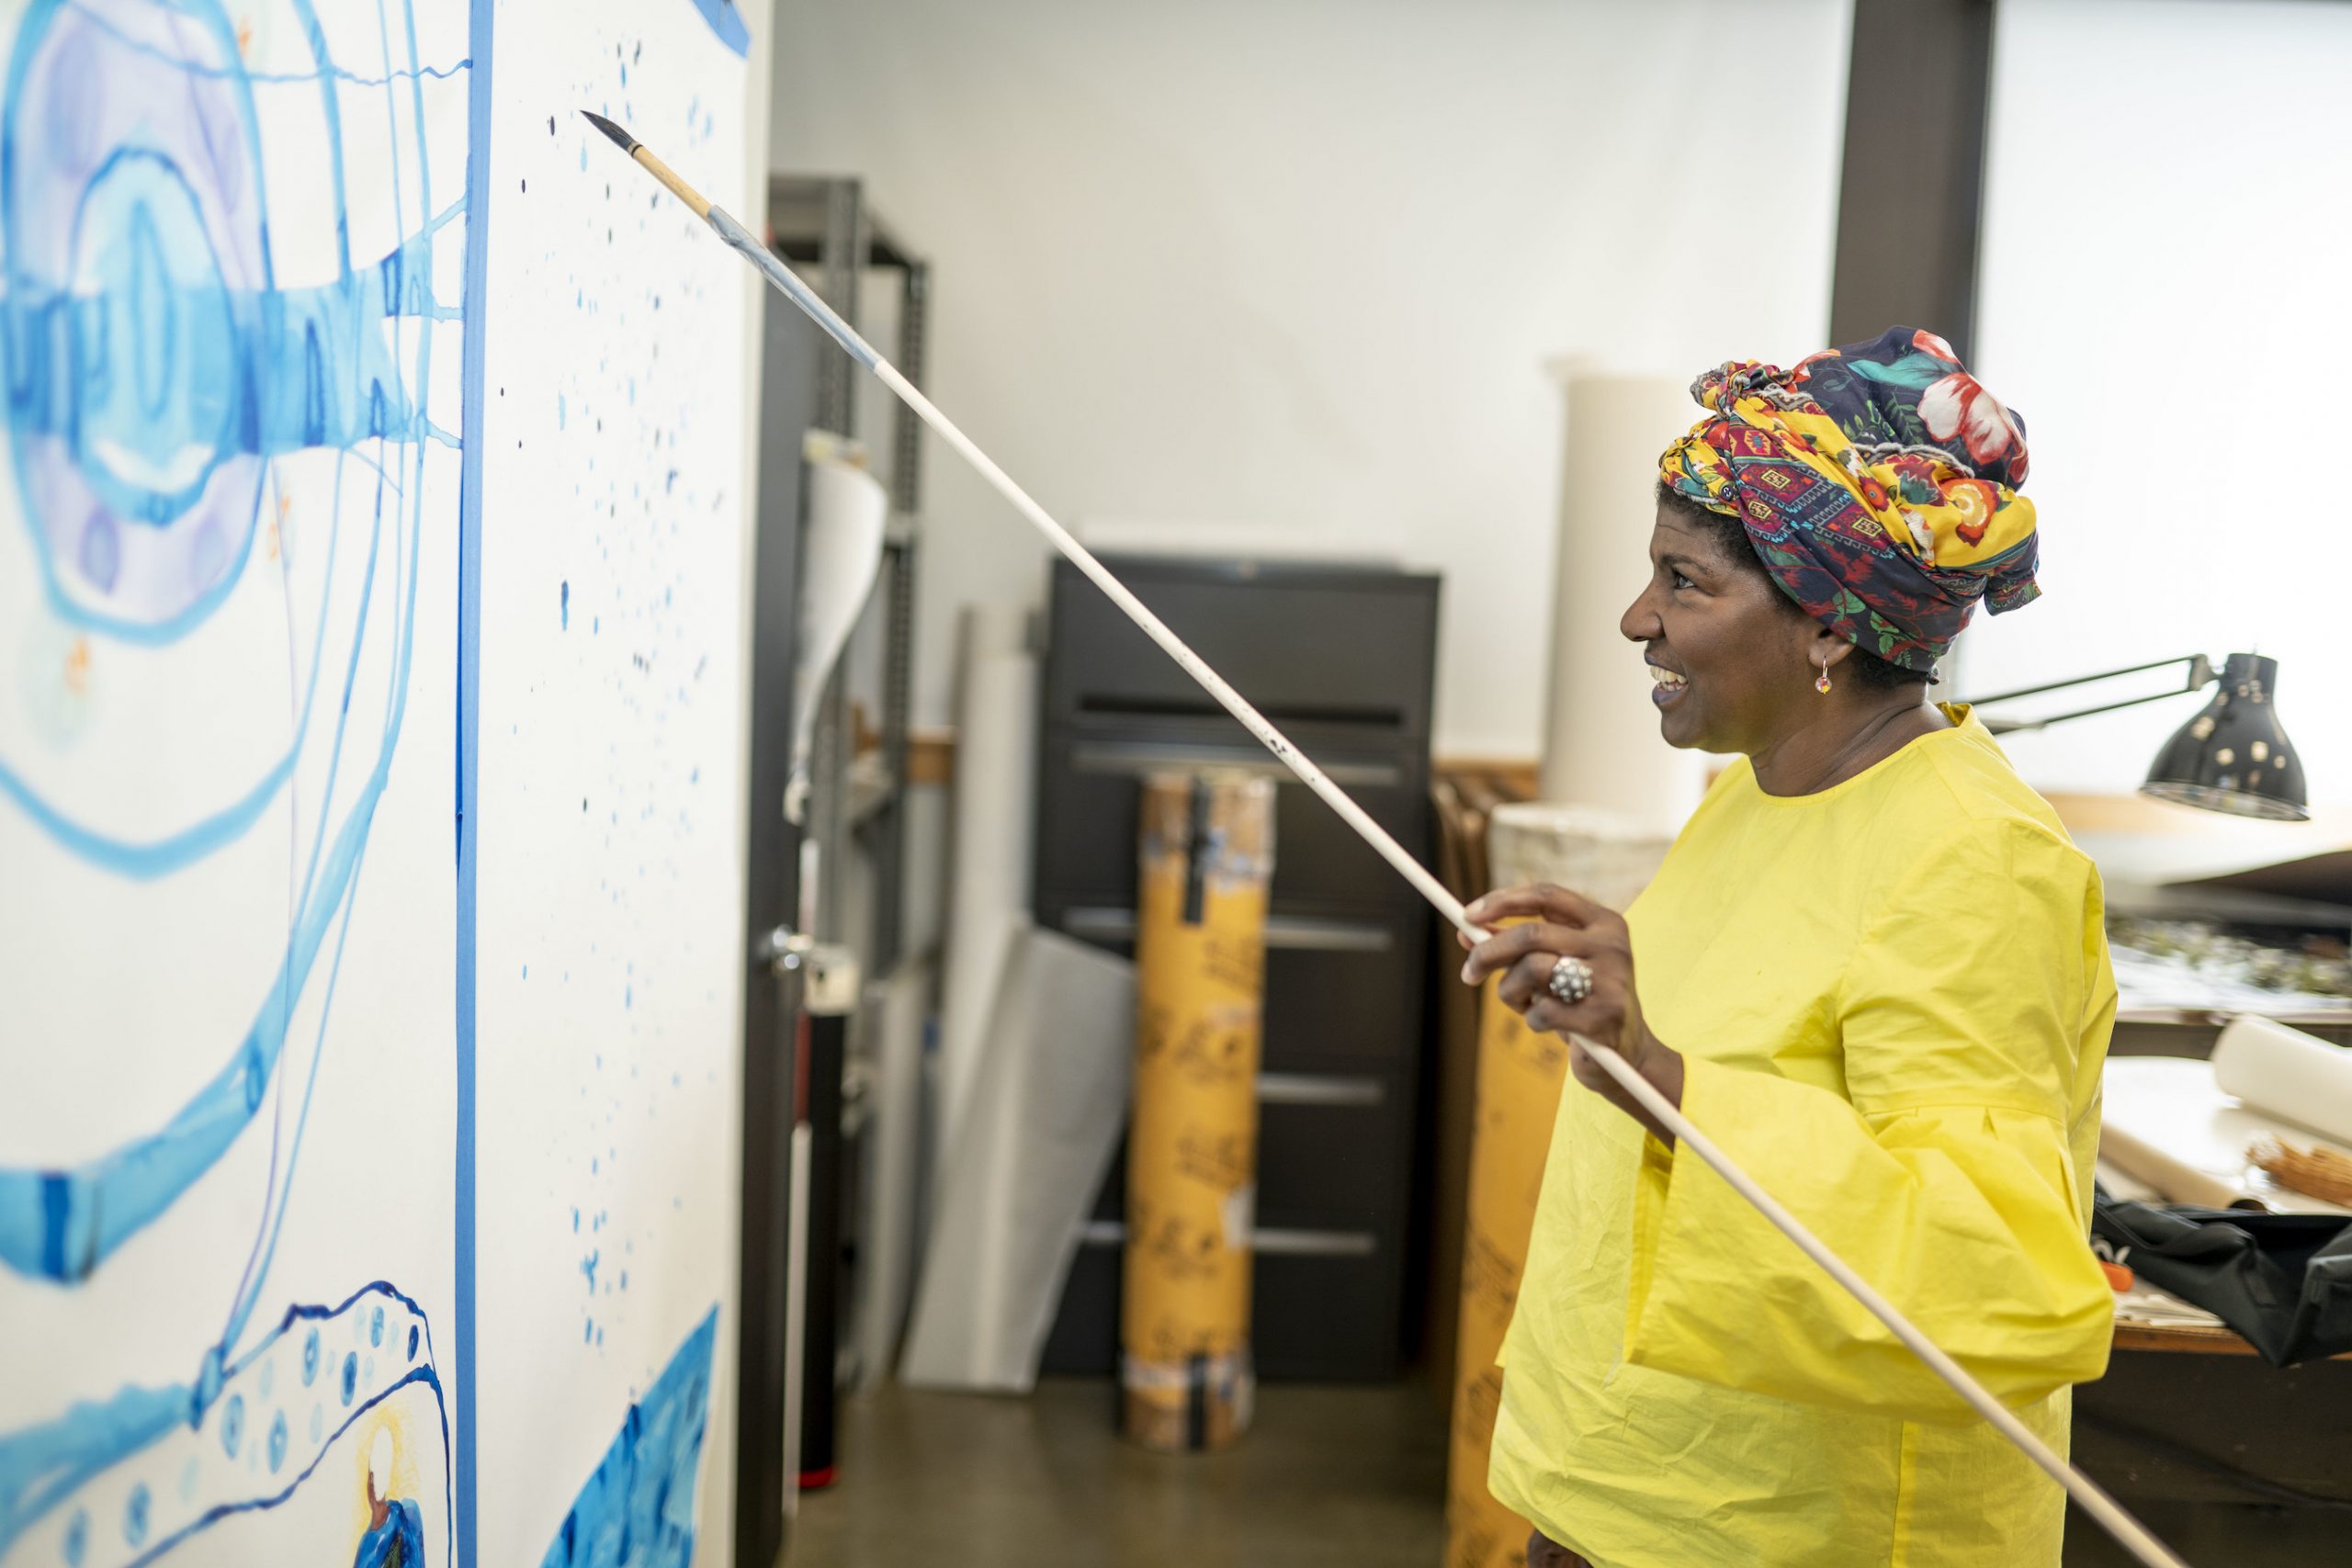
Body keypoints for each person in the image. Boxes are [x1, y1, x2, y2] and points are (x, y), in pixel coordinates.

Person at [1460, 327, 2116, 1567]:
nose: (1637, 619)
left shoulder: (1975, 861)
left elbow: (1992, 1270)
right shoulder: (1752, 796)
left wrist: (1659, 1070)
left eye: (1684, 581)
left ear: (1827, 627)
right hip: (1630, 1499)